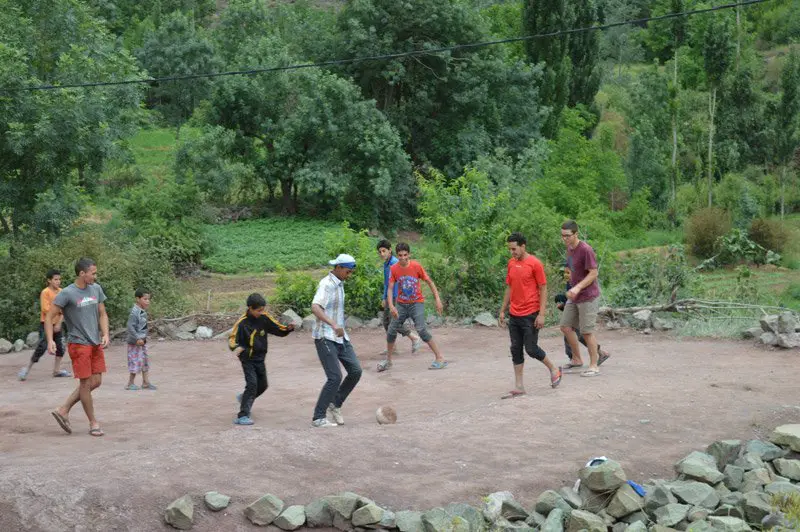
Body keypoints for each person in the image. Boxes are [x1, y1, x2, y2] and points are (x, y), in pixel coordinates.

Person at [48, 258, 109, 437]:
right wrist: (51, 340)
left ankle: (63, 409)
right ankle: (93, 423)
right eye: (93, 273)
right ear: (82, 273)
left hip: (95, 342)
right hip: (78, 343)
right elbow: (49, 317)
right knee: (84, 383)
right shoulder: (67, 293)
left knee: (96, 382)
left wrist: (105, 333)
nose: (95, 276)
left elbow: (103, 313)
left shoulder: (96, 289)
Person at [498, 233, 562, 398]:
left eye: (514, 248)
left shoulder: (535, 263)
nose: (512, 252)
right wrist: (503, 309)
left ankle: (554, 369)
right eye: (510, 249)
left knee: (531, 349)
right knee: (515, 349)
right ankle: (519, 386)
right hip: (514, 313)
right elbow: (509, 287)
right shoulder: (511, 263)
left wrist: (541, 314)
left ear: (523, 246)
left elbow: (543, 288)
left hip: (531, 314)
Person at [310, 254, 363, 428]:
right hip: (325, 336)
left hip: (340, 337)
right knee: (335, 377)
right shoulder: (326, 284)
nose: (349, 275)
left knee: (355, 371)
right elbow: (315, 307)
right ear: (339, 268)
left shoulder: (339, 284)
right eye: (348, 271)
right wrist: (333, 324)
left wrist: (338, 327)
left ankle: (335, 403)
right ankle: (318, 417)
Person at [229, 293, 294, 425]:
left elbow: (278, 328)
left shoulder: (264, 318)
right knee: (252, 384)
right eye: (258, 310)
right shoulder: (242, 323)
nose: (261, 312)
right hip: (247, 359)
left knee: (263, 385)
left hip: (260, 358)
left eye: (262, 309)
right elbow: (232, 338)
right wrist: (236, 347)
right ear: (250, 308)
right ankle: (242, 416)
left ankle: (244, 398)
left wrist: (288, 329)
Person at [379, 242, 446, 372]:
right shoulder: (394, 268)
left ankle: (440, 358)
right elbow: (390, 288)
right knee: (392, 330)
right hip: (401, 304)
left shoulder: (416, 266)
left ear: (409, 254)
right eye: (400, 255)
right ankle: (388, 361)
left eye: (405, 255)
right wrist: (391, 305)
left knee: (421, 329)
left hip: (416, 303)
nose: (403, 258)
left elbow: (429, 282)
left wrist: (438, 299)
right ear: (397, 255)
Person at [559, 220, 606, 377]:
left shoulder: (586, 249)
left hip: (588, 296)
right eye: (562, 236)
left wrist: (578, 287)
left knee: (586, 332)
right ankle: (577, 359)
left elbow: (593, 273)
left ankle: (594, 365)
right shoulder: (569, 249)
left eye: (567, 236)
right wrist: (568, 287)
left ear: (575, 234)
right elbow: (571, 270)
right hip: (574, 296)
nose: (564, 238)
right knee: (565, 326)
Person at [555, 263, 610, 368]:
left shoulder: (581, 283)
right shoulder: (569, 283)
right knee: (569, 332)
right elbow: (571, 301)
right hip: (576, 309)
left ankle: (597, 355)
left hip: (584, 307)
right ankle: (577, 358)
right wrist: (562, 304)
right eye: (564, 273)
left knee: (581, 334)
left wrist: (565, 301)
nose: (565, 275)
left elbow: (579, 300)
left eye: (568, 272)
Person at [18, 269, 70, 381]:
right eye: (55, 279)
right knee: (42, 346)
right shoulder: (45, 292)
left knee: (61, 347)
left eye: (59, 279)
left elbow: (65, 309)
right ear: (49, 280)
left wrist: (59, 322)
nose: (58, 281)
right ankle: (27, 369)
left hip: (58, 324)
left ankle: (56, 371)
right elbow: (46, 310)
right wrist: (59, 311)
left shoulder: (62, 292)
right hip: (46, 324)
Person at [377, 239, 423, 356]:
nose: (382, 254)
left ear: (390, 250)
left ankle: (414, 338)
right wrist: (384, 298)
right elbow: (387, 283)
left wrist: (396, 299)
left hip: (396, 297)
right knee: (386, 321)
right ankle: (393, 347)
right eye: (380, 252)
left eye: (384, 251)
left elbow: (401, 282)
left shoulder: (395, 263)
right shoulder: (387, 264)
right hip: (389, 296)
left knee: (393, 322)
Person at [125, 289, 157, 391]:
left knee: (144, 361)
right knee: (135, 361)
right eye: (145, 299)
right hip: (135, 342)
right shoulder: (135, 312)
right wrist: (137, 338)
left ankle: (146, 382)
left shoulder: (142, 311)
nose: (148, 301)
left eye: (149, 299)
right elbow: (130, 326)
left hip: (142, 341)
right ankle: (130, 383)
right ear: (138, 299)